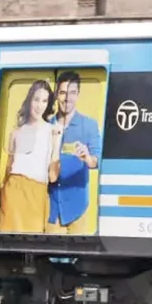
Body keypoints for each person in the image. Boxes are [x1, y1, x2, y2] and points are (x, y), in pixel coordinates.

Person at [0, 80, 62, 233]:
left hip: (37, 194)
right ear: (29, 100)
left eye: (44, 101)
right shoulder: (16, 132)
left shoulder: (52, 131)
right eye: (36, 99)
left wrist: (57, 143)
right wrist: (1, 195)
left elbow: (53, 177)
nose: (39, 105)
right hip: (14, 191)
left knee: (33, 244)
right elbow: (9, 168)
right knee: (9, 245)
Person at [47, 71, 101, 235]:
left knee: (77, 258)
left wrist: (87, 158)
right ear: (56, 95)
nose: (67, 98)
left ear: (78, 95)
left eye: (72, 93)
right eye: (62, 93)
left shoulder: (89, 125)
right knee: (49, 256)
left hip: (77, 206)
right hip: (51, 204)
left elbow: (96, 161)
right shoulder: (46, 125)